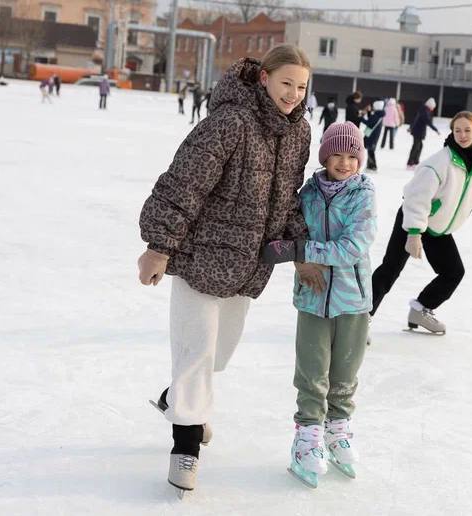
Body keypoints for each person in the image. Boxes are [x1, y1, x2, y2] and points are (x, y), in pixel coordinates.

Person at [137, 45, 319, 496]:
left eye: (301, 86)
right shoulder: (230, 122)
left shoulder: (300, 133)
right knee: (197, 353)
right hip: (200, 258)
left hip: (248, 266)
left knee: (218, 355)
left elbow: (290, 198)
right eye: (286, 83)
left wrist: (299, 248)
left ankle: (175, 399)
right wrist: (159, 247)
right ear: (264, 79)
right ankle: (187, 446)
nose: (294, 94)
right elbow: (184, 181)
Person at [259, 121, 376, 487]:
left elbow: (354, 246)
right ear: (324, 156)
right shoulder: (307, 194)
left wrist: (302, 252)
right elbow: (290, 230)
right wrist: (298, 257)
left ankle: (337, 429)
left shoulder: (364, 193)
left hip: (353, 298)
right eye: (336, 155)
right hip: (312, 296)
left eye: (351, 155)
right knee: (312, 372)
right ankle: (307, 438)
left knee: (345, 372)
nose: (344, 163)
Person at [370, 111, 472, 335]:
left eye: (467, 130)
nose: (462, 134)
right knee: (390, 269)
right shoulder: (440, 162)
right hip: (413, 219)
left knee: (453, 272)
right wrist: (414, 233)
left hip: (438, 228)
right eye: (457, 130)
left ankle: (421, 309)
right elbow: (416, 197)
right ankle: (359, 319)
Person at [406, 97, 439, 170]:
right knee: (416, 147)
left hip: (418, 131)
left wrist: (411, 127)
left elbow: (416, 119)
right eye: (433, 107)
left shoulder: (424, 110)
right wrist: (435, 129)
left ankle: (415, 162)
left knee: (419, 146)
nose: (433, 109)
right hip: (418, 131)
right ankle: (410, 163)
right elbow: (427, 121)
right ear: (430, 106)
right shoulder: (425, 111)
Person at [360, 100, 385, 172]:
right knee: (370, 150)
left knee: (371, 151)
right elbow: (371, 120)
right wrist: (368, 112)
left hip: (372, 136)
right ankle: (369, 166)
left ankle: (373, 167)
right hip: (374, 135)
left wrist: (361, 117)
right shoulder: (378, 114)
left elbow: (368, 123)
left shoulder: (376, 115)